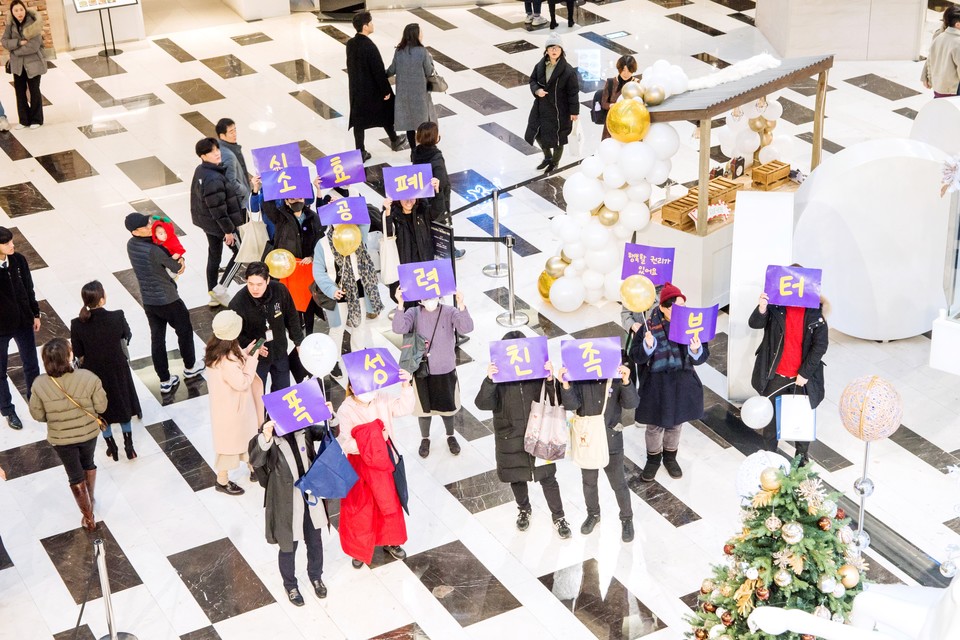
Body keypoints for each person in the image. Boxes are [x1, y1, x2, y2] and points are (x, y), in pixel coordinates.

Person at [474, 337, 571, 538]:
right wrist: (490, 380)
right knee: (516, 478)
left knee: (547, 477)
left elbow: (556, 399)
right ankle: (524, 509)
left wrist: (551, 379)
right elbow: (482, 404)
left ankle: (559, 516)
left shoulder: (537, 374)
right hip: (510, 437)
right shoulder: (500, 377)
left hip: (540, 434)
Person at [629, 282, 710, 482]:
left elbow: (701, 358)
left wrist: (696, 348)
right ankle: (653, 458)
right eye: (676, 306)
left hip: (682, 382)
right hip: (656, 385)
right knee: (655, 426)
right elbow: (636, 356)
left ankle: (670, 457)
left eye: (683, 305)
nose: (681, 310)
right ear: (664, 307)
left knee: (676, 423)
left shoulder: (692, 326)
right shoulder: (649, 327)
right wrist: (647, 346)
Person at [336, 368, 415, 568]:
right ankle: (359, 549)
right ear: (352, 388)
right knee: (360, 510)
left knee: (388, 504)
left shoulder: (381, 398)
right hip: (360, 465)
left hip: (384, 462)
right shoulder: (346, 409)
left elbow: (403, 408)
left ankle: (391, 541)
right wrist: (373, 441)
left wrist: (406, 386)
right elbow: (346, 443)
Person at [28, 338, 107, 532]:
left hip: (61, 439)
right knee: (88, 463)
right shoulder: (88, 377)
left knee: (74, 475)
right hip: (88, 433)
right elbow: (101, 406)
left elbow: (37, 415)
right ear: (68, 356)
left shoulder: (39, 384)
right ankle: (90, 498)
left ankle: (88, 517)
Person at [250, 418, 330, 606]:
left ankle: (316, 576)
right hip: (286, 502)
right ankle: (290, 584)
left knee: (315, 541)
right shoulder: (268, 439)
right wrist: (266, 436)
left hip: (309, 498)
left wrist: (330, 417)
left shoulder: (304, 431)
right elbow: (256, 459)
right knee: (288, 546)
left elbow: (328, 433)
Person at [125, 213, 205, 394]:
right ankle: (190, 367)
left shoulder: (131, 245)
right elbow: (177, 267)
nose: (151, 225)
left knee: (157, 338)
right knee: (184, 329)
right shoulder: (153, 250)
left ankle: (165, 380)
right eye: (147, 225)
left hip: (149, 301)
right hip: (168, 299)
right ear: (136, 231)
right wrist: (181, 260)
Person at [558, 362, 638, 542]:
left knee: (619, 483)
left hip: (612, 441)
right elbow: (572, 405)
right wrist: (565, 385)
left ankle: (627, 519)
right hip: (587, 442)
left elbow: (632, 403)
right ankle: (593, 514)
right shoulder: (580, 378)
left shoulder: (615, 377)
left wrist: (626, 381)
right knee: (589, 482)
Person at [748, 288, 828, 465]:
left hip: (802, 378)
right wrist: (762, 308)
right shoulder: (776, 306)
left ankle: (802, 456)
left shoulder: (815, 313)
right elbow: (754, 323)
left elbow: (820, 345)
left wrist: (805, 373)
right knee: (771, 419)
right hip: (775, 373)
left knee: (802, 417)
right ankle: (770, 455)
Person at [392, 289, 473, 458]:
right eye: (426, 298)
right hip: (422, 371)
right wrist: (400, 304)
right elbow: (399, 328)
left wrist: (462, 304)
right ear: (420, 299)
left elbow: (467, 327)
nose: (430, 301)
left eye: (433, 297)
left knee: (448, 409)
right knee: (423, 409)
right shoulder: (413, 312)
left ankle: (451, 435)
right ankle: (425, 438)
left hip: (445, 370)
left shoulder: (449, 311)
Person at [70, 281, 141, 462]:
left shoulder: (77, 324)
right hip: (118, 369)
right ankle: (129, 445)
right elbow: (127, 335)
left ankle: (111, 446)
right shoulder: (117, 316)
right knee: (123, 404)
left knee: (101, 411)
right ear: (102, 299)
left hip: (93, 374)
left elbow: (78, 353)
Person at [204, 310, 263, 496]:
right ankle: (222, 480)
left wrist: (246, 352)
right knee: (232, 446)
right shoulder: (226, 360)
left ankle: (253, 468)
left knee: (245, 439)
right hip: (234, 411)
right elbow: (242, 382)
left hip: (231, 408)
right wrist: (252, 359)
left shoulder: (216, 350)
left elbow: (235, 363)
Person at [312, 219, 383, 364]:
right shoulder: (323, 243)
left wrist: (352, 207)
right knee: (337, 329)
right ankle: (334, 361)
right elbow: (318, 271)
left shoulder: (357, 233)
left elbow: (365, 221)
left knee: (360, 325)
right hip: (337, 290)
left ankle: (358, 359)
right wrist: (331, 290)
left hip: (358, 287)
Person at [229, 262, 304, 392]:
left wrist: (298, 342)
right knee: (257, 394)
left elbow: (292, 317)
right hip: (255, 358)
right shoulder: (238, 303)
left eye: (259, 284)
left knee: (283, 391)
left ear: (268, 280)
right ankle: (261, 413)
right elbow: (234, 335)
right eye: (250, 284)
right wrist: (253, 346)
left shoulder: (280, 290)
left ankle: (277, 413)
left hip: (280, 351)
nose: (255, 289)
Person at [190, 137, 244, 308]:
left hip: (208, 224)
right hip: (220, 224)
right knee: (241, 253)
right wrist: (228, 231)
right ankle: (221, 289)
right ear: (203, 156)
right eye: (212, 151)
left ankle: (212, 292)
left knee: (214, 255)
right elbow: (218, 208)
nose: (217, 153)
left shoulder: (201, 170)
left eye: (217, 149)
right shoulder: (213, 178)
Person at [346, 11, 407, 162]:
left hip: (356, 90)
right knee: (385, 112)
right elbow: (378, 71)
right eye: (371, 22)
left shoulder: (351, 44)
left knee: (359, 121)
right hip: (372, 90)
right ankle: (394, 140)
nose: (373, 25)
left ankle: (360, 151)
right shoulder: (370, 46)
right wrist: (386, 90)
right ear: (365, 26)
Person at [0, 226, 40, 430]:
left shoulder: (19, 260)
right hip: (1, 328)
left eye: (11, 241)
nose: (12, 245)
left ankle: (36, 400)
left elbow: (28, 288)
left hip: (23, 321)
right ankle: (7, 409)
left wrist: (35, 313)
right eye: (6, 243)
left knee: (31, 363)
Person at [525, 33, 580, 174]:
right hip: (540, 107)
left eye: (557, 48)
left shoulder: (568, 71)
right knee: (536, 132)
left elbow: (573, 92)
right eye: (551, 48)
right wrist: (537, 90)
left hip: (559, 110)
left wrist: (574, 112)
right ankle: (548, 157)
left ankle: (554, 162)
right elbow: (532, 80)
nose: (554, 50)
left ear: (561, 50)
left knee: (558, 138)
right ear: (546, 50)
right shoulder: (540, 65)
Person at [410, 121, 464, 260]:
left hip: (422, 194)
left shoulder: (416, 152)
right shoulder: (436, 157)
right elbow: (442, 181)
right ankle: (450, 251)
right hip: (437, 197)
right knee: (441, 223)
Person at [381, 186, 442, 307]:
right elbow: (387, 234)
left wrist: (437, 190)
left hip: (423, 264)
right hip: (404, 267)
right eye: (404, 198)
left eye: (412, 198)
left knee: (427, 302)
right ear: (398, 199)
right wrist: (387, 211)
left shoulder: (422, 211)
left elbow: (437, 210)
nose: (409, 202)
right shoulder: (394, 215)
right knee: (408, 303)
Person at [387, 23, 437, 151]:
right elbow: (428, 71)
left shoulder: (399, 52)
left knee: (409, 124)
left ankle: (413, 151)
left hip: (404, 95)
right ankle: (423, 150)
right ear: (416, 34)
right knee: (422, 123)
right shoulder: (422, 52)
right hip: (420, 95)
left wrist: (380, 75)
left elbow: (392, 70)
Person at [2, 1, 46, 129]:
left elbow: (33, 46)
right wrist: (19, 43)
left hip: (33, 63)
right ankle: (24, 120)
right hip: (18, 65)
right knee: (20, 92)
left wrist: (14, 51)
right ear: (12, 12)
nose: (19, 13)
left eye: (21, 10)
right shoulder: (10, 25)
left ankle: (36, 119)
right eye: (16, 11)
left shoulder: (33, 23)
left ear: (24, 9)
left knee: (34, 91)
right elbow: (4, 41)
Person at [922, 5, 960, 97]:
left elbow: (931, 59)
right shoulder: (956, 41)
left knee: (941, 108)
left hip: (939, 87)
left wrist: (928, 78)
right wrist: (925, 76)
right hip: (952, 89)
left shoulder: (939, 37)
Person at [215, 118, 252, 212]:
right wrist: (244, 190)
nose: (235, 134)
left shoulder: (230, 147)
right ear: (222, 135)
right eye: (231, 132)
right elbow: (231, 181)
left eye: (235, 130)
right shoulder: (227, 154)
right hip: (237, 202)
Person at [601, 55, 638, 140]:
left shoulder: (637, 84)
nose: (626, 73)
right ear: (619, 69)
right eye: (623, 70)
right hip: (612, 123)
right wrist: (611, 106)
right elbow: (604, 103)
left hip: (630, 124)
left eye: (629, 70)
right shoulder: (611, 82)